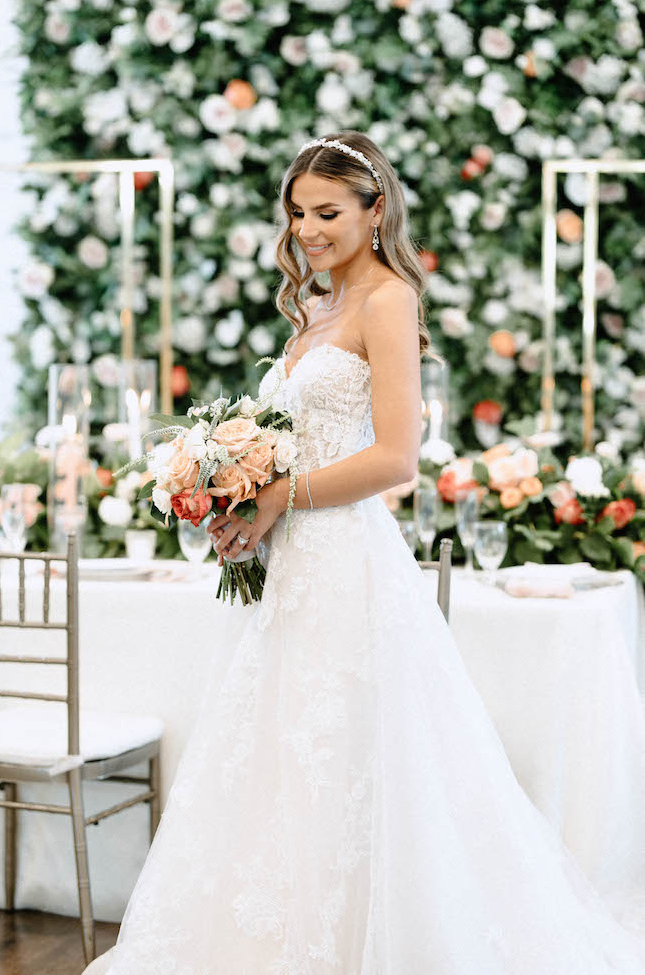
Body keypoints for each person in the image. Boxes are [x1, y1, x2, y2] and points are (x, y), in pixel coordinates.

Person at [83, 132, 645, 974]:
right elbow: (292, 443)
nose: (309, 229)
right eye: (299, 213)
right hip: (289, 570)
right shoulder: (315, 306)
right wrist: (236, 500)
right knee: (277, 756)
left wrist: (282, 497)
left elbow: (395, 460)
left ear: (375, 209)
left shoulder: (388, 300)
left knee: (349, 754)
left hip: (347, 565)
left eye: (329, 213)